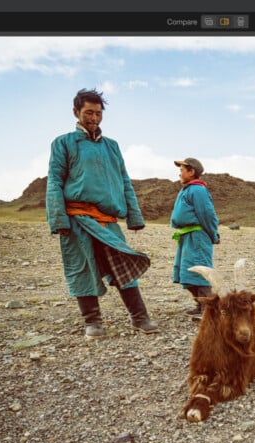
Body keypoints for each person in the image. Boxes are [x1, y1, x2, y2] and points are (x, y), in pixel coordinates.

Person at [46, 88, 158, 338]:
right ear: (76, 112)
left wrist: (134, 216)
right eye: (88, 112)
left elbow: (124, 180)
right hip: (77, 219)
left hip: (108, 221)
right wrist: (58, 219)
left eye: (98, 113)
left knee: (123, 264)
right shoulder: (63, 143)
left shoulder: (112, 146)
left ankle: (140, 318)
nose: (94, 118)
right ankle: (92, 322)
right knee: (82, 267)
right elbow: (54, 181)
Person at [170, 157, 220, 319]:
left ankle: (210, 310)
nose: (180, 173)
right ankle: (200, 305)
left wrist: (213, 234)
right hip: (187, 236)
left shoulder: (198, 190)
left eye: (182, 170)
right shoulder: (188, 189)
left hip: (197, 236)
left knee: (200, 271)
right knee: (187, 272)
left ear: (191, 172)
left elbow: (206, 214)